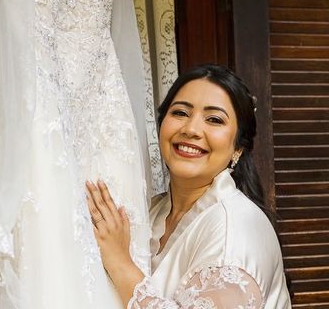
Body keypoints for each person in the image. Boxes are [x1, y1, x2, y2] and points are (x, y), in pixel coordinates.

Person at [86, 64, 292, 308]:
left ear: (238, 148)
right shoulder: (151, 212)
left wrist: (120, 263)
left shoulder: (236, 229)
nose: (191, 129)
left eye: (214, 119)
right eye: (181, 113)